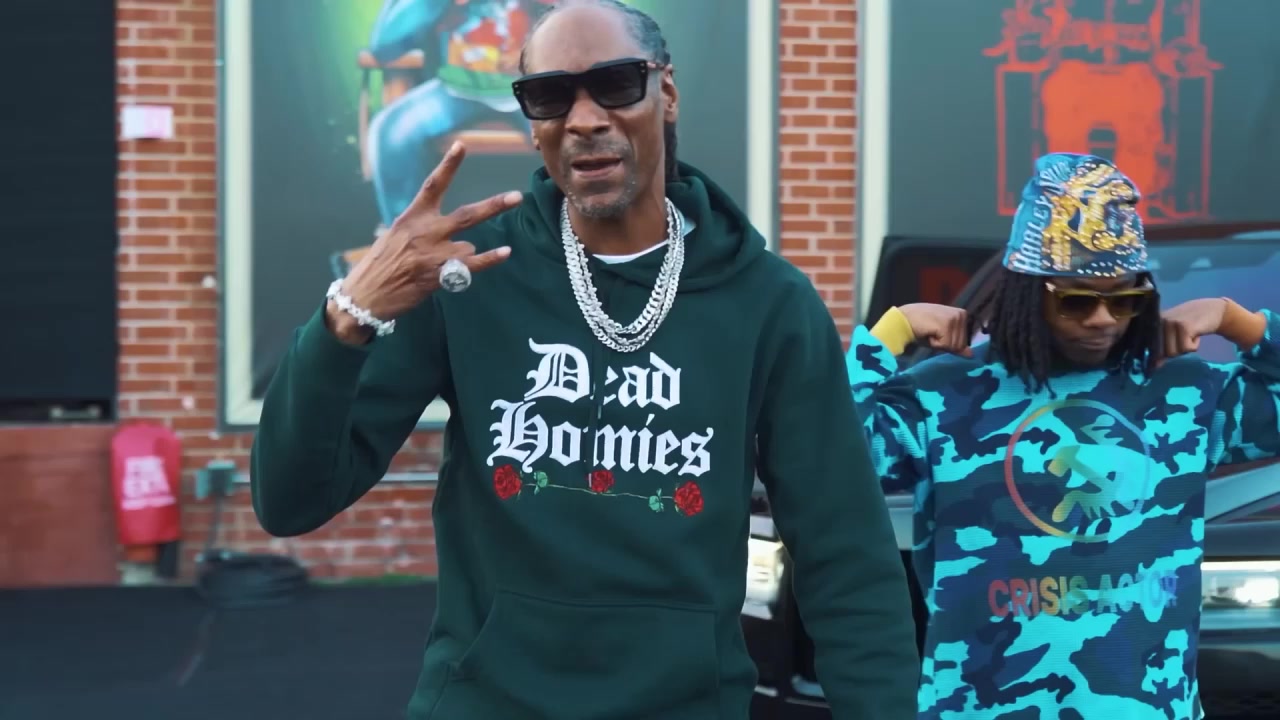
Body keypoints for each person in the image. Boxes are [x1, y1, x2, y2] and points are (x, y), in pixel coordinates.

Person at [251, 1, 919, 718]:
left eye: (615, 84)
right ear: (531, 120)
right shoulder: (468, 277)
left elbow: (845, 554)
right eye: (551, 96)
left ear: (666, 92)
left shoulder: (767, 302)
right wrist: (347, 316)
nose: (585, 118)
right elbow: (291, 501)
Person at [846, 151, 1280, 720]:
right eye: (1076, 300)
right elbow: (829, 457)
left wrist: (1238, 321)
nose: (1103, 319)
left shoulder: (1185, 392)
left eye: (1125, 299)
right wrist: (889, 334)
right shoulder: (946, 393)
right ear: (1025, 292)